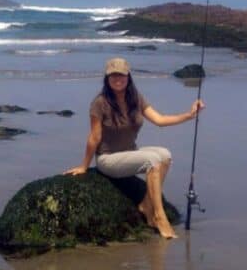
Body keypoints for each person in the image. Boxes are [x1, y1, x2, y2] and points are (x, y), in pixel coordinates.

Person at [64, 57, 204, 239]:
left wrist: (189, 115)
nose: (117, 79)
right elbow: (94, 137)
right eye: (113, 75)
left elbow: (159, 120)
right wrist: (84, 166)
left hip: (129, 153)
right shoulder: (100, 103)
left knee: (165, 155)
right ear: (107, 78)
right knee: (152, 160)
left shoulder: (135, 98)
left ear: (128, 76)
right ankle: (158, 217)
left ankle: (146, 205)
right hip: (108, 159)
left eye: (121, 75)